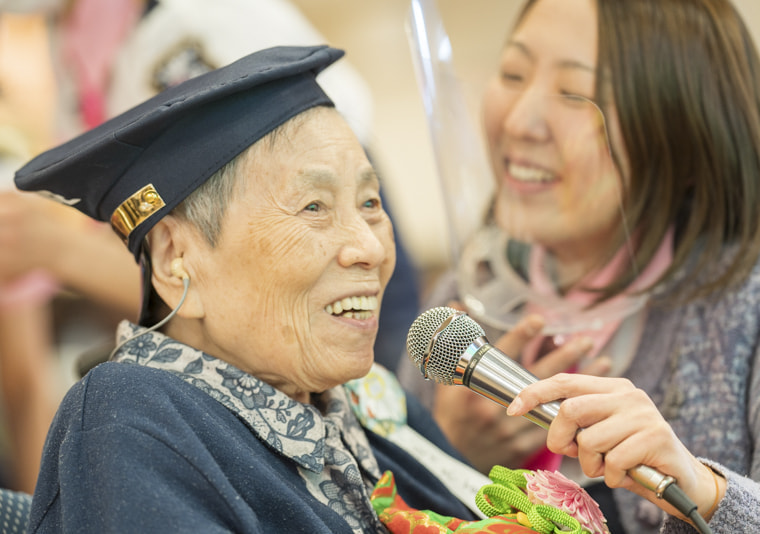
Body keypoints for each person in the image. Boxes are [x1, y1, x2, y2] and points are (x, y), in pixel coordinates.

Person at [15, 45, 482, 533]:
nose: (370, 246)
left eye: (369, 202)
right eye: (314, 208)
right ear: (177, 259)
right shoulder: (134, 412)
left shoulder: (364, 402)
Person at [397, 0, 760, 532]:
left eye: (573, 94)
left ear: (678, 131)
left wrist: (702, 491)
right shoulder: (459, 310)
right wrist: (450, 449)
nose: (519, 122)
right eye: (513, 74)